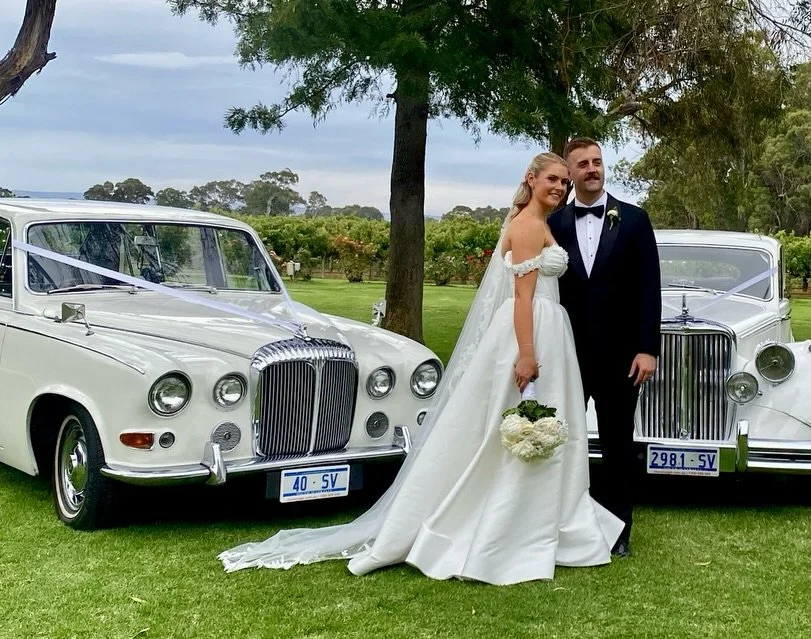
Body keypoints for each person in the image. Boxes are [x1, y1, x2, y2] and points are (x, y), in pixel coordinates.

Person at [216, 152, 625, 585]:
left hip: (548, 327)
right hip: (532, 331)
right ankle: (505, 526)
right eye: (553, 180)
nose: (560, 187)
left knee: (509, 426)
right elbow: (522, 298)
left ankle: (536, 518)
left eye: (565, 181)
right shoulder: (526, 225)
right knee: (508, 425)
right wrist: (527, 354)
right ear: (532, 178)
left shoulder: (538, 222)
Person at [547, 137, 662, 558]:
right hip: (567, 355)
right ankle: (561, 523)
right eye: (583, 164)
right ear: (571, 173)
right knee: (562, 441)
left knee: (617, 445)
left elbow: (649, 288)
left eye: (597, 162)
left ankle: (618, 531)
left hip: (622, 357)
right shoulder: (554, 224)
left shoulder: (633, 220)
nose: (592, 169)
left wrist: (647, 347)